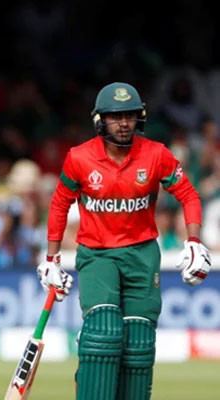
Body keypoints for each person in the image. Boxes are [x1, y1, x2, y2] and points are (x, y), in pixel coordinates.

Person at [36, 82, 212, 400]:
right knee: (104, 332)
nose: (123, 123)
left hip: (143, 254)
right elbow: (60, 204)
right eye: (115, 117)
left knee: (139, 343)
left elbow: (188, 194)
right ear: (100, 120)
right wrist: (52, 260)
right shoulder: (79, 158)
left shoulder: (156, 154)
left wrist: (194, 241)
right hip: (97, 254)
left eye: (129, 115)